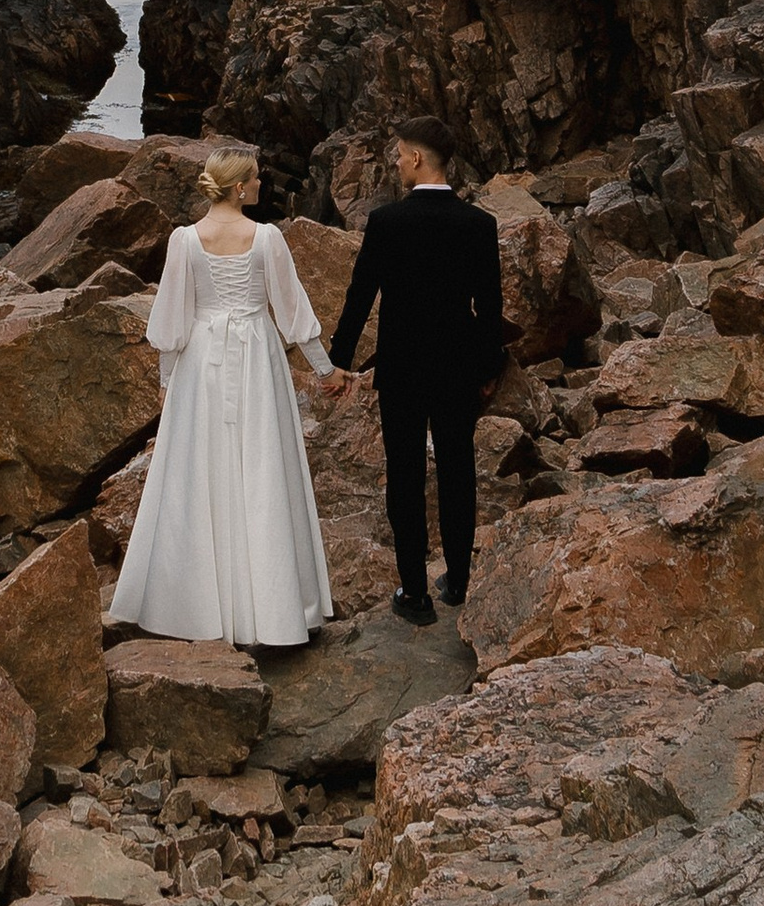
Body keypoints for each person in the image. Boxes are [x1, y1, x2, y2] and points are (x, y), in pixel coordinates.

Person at [107, 148, 335, 649]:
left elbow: (173, 319)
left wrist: (169, 387)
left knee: (200, 472)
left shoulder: (185, 240)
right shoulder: (267, 237)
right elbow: (292, 310)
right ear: (238, 188)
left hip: (201, 366)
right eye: (255, 178)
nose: (260, 184)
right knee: (261, 469)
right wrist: (325, 369)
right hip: (256, 358)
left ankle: (196, 608)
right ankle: (271, 613)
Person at [327, 116, 506, 626]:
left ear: (417, 159)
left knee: (404, 475)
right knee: (457, 471)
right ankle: (457, 582)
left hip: (402, 369)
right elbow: (489, 307)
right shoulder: (479, 224)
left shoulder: (387, 223)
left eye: (400, 153)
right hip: (457, 368)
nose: (396, 160)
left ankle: (414, 593)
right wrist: (488, 367)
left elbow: (360, 297)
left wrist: (339, 361)